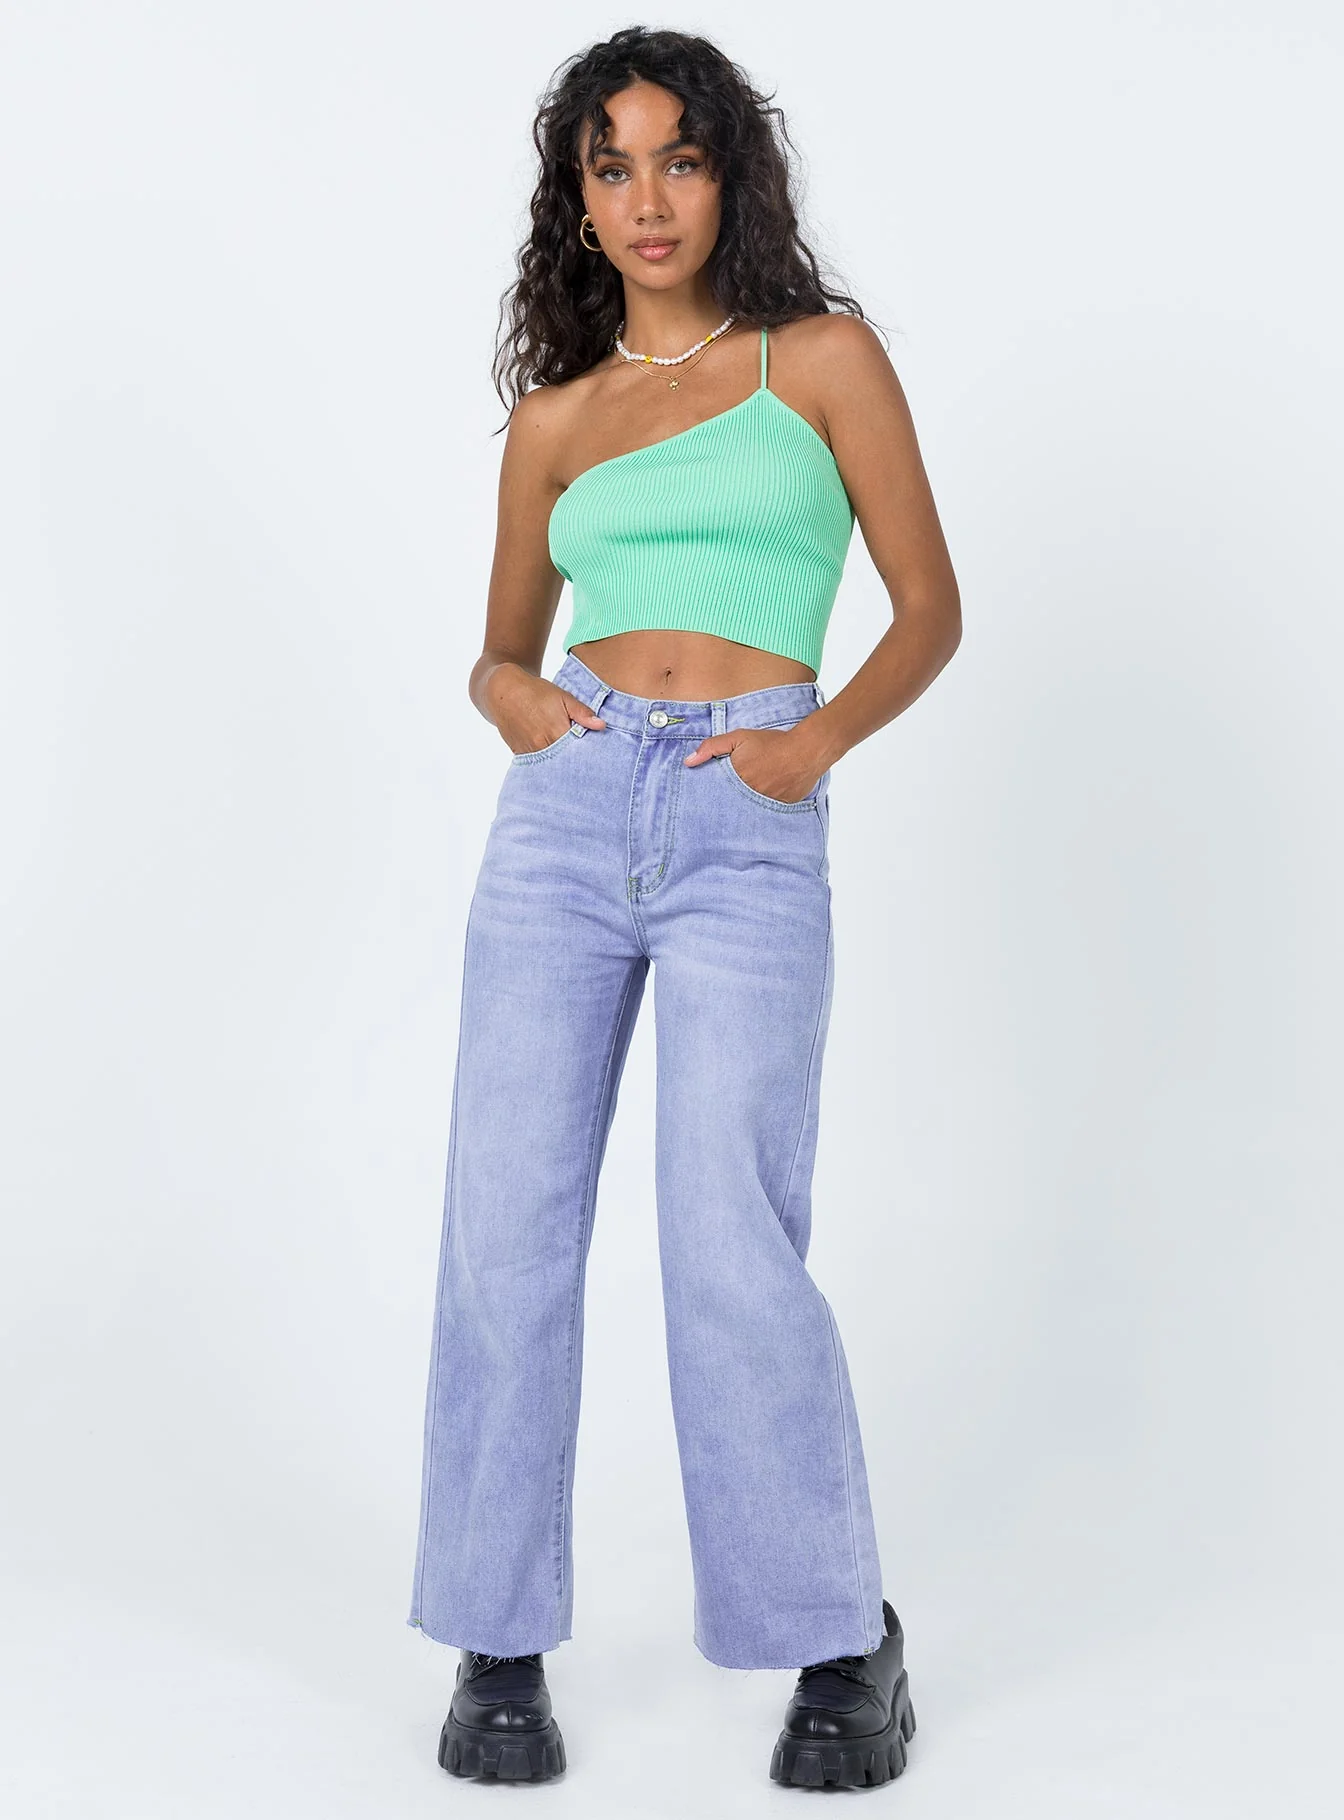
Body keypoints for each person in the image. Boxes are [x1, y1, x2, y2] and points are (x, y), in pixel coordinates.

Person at [407, 25, 960, 1790]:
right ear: (577, 201)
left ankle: (839, 1634)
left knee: (731, 1235)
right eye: (612, 166)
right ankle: (498, 1637)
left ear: (732, 174)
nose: (648, 198)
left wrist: (814, 745)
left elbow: (931, 608)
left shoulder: (822, 360)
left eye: (680, 158)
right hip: (567, 820)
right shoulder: (556, 420)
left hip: (747, 812)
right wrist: (513, 701)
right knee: (505, 1226)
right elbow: (498, 650)